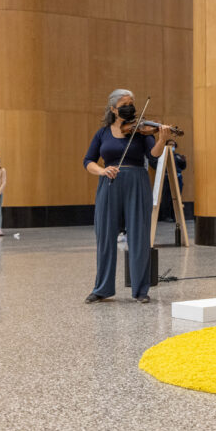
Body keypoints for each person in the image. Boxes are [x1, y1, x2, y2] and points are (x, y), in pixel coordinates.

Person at [83, 89, 172, 304]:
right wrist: (102, 170)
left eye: (132, 102)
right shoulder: (102, 133)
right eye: (124, 103)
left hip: (136, 183)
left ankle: (140, 290)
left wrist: (162, 139)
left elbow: (154, 155)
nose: (130, 106)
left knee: (139, 236)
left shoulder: (141, 132)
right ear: (113, 108)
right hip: (109, 183)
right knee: (105, 235)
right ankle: (102, 288)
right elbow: (88, 161)